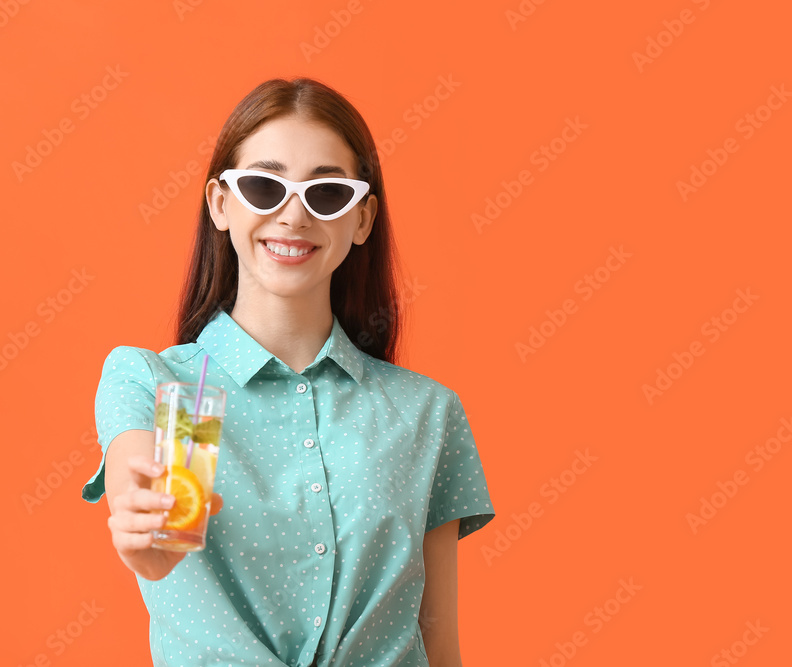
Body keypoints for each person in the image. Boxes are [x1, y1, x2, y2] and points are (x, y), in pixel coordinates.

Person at [80, 76, 495, 667]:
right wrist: (143, 530)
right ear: (221, 205)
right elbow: (142, 496)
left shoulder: (427, 413)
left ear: (361, 219)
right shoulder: (169, 388)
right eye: (262, 186)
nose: (293, 214)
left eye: (326, 194)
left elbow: (442, 644)